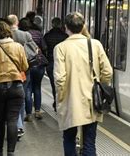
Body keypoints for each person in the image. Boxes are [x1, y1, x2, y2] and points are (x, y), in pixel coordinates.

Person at [54, 12, 113, 156]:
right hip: (92, 100)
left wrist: (60, 98)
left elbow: (60, 78)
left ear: (66, 27)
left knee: (69, 139)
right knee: (89, 142)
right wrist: (100, 86)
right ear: (82, 26)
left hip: (70, 100)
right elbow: (108, 71)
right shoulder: (95, 44)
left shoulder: (61, 48)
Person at [0, 21, 27, 156]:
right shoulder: (18, 47)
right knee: (13, 120)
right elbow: (24, 67)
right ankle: (11, 152)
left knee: (0, 121)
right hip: (16, 86)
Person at [6, 14, 38, 138]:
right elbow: (35, 51)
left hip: (8, 72)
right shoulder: (26, 35)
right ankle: (20, 126)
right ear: (17, 22)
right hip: (24, 71)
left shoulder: (4, 35)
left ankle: (14, 124)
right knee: (22, 96)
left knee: (10, 99)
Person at [19, 18, 47, 120]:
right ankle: (38, 111)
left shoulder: (20, 35)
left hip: (28, 65)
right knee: (37, 87)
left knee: (28, 88)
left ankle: (29, 114)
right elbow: (44, 47)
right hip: (39, 63)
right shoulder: (38, 33)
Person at [43, 17, 68, 111]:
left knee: (54, 84)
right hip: (63, 63)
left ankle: (56, 101)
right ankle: (62, 103)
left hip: (51, 62)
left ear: (52, 24)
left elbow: (44, 48)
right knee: (63, 84)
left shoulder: (47, 36)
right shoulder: (65, 36)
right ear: (60, 24)